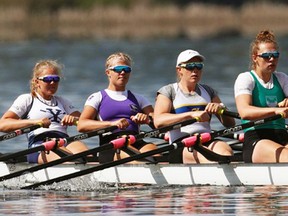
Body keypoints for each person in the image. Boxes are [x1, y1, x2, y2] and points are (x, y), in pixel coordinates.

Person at [153, 49, 235, 163]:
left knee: (226, 153)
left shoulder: (208, 91)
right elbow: (158, 121)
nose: (195, 70)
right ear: (179, 70)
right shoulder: (168, 91)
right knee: (210, 160)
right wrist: (191, 115)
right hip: (181, 144)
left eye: (199, 66)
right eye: (190, 66)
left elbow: (230, 124)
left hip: (206, 140)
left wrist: (222, 109)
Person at [0, 60, 88, 164]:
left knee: (89, 158)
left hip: (64, 140)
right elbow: (3, 124)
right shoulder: (28, 99)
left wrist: (75, 119)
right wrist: (35, 122)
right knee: (70, 162)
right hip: (39, 144)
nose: (53, 82)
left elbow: (86, 122)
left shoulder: (63, 101)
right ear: (37, 82)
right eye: (48, 79)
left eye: (56, 79)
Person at [77, 52, 158, 163]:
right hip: (111, 145)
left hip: (136, 141)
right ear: (108, 72)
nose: (123, 72)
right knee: (140, 161)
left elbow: (157, 123)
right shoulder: (97, 97)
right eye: (118, 69)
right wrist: (112, 124)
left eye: (127, 69)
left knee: (160, 158)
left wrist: (147, 120)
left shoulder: (139, 99)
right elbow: (82, 125)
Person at [234, 30, 288, 163]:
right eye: (266, 56)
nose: (272, 59)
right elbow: (244, 112)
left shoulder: (282, 78)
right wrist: (276, 110)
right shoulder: (246, 78)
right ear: (255, 57)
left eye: (275, 55)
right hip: (257, 139)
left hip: (282, 135)